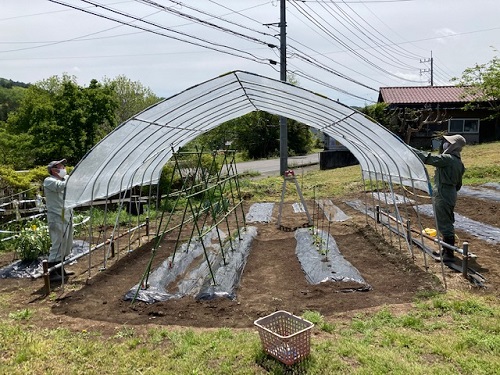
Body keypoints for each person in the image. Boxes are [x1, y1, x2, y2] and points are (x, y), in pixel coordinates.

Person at [412, 134, 466, 261]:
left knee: (445, 223)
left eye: (447, 142)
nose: (444, 144)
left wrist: (410, 150)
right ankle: (446, 249)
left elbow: (429, 158)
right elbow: (458, 184)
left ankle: (449, 254)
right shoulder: (459, 163)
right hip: (450, 193)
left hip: (443, 193)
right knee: (445, 221)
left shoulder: (448, 159)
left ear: (453, 146)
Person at [43, 159, 74, 281]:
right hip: (56, 217)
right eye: (60, 166)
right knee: (58, 243)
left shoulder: (62, 180)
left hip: (66, 216)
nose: (63, 168)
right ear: (53, 170)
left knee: (66, 243)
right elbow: (60, 187)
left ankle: (61, 269)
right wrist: (68, 177)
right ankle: (52, 272)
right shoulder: (49, 181)